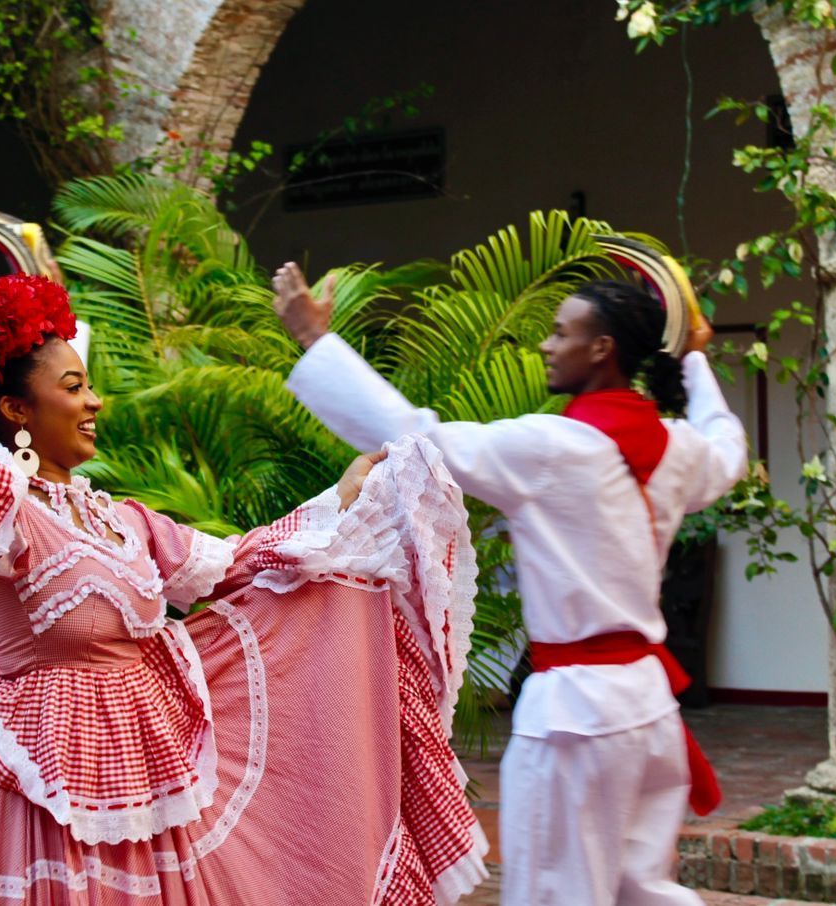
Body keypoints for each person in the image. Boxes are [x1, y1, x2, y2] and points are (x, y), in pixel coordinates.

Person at [0, 196, 488, 905]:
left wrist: (347, 498)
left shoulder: (123, 520)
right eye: (74, 387)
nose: (94, 403)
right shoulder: (5, 499)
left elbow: (242, 563)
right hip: (40, 773)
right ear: (18, 411)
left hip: (145, 766)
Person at [273, 263, 748, 906]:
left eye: (561, 333)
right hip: (650, 708)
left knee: (557, 893)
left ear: (601, 348)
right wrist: (695, 362)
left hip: (574, 716)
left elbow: (418, 435)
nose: (547, 345)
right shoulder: (679, 448)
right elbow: (729, 448)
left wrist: (314, 340)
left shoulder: (554, 448)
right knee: (645, 890)